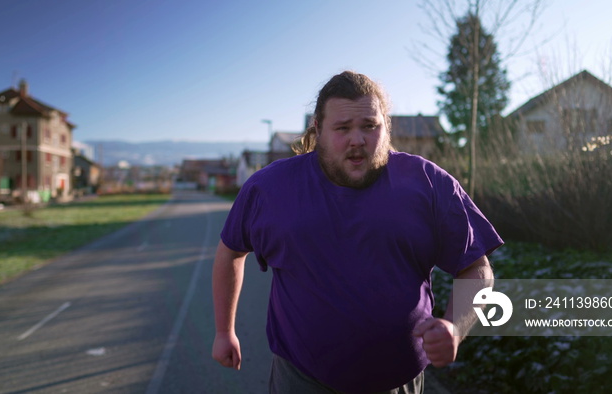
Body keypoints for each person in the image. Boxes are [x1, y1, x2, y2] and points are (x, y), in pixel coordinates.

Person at [212, 71, 502, 393]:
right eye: (342, 128)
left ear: (385, 126)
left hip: (398, 382)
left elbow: (477, 268)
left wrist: (454, 328)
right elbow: (231, 252)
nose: (357, 139)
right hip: (302, 378)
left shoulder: (428, 183)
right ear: (318, 130)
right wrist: (225, 331)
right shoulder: (269, 188)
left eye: (369, 126)